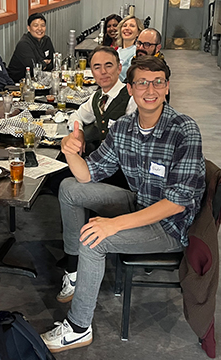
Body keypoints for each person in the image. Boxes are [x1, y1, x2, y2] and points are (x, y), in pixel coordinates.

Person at [40, 57, 206, 353]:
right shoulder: (124, 128)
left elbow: (178, 203)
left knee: (94, 239)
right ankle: (75, 271)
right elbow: (88, 174)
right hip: (139, 202)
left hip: (169, 225)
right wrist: (70, 150)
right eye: (142, 82)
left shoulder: (184, 129)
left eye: (158, 82)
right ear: (130, 89)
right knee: (69, 188)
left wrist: (113, 224)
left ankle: (79, 328)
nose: (150, 89)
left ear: (167, 88)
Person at [67, 46, 136, 156]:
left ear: (119, 68)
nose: (103, 72)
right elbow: (76, 116)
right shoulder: (97, 96)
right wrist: (79, 132)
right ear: (92, 73)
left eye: (108, 66)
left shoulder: (132, 98)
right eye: (97, 67)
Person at [7, 13, 55, 82]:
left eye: (43, 25)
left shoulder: (46, 40)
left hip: (39, 80)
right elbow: (33, 69)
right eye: (36, 26)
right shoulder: (24, 44)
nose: (40, 29)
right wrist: (45, 63)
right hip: (18, 83)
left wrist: (43, 64)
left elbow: (53, 63)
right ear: (29, 28)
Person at [116, 15, 143, 82]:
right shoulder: (118, 50)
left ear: (138, 33)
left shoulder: (136, 52)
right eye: (124, 26)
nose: (127, 28)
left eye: (132, 26)